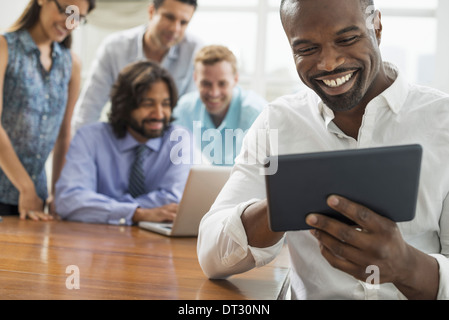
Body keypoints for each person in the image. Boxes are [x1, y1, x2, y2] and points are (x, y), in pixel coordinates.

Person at [197, 0, 449, 300]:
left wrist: (407, 267)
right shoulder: (277, 122)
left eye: (346, 39)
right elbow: (211, 257)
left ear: (377, 27)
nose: (328, 63)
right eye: (306, 49)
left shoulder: (442, 122)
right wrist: (284, 202)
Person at [54, 60, 193, 225]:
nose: (159, 114)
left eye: (165, 104)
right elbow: (68, 200)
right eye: (148, 104)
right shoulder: (89, 137)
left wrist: (100, 207)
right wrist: (136, 214)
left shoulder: (179, 139)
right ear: (125, 105)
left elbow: (173, 200)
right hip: (96, 240)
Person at [0, 0, 96, 220]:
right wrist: (25, 187)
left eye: (78, 18)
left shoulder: (71, 64)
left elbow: (63, 135)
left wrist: (59, 193)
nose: (70, 23)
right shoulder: (4, 47)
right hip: (16, 192)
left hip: (36, 200)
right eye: (66, 11)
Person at [72, 0, 203, 133]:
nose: (175, 28)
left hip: (169, 142)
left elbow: (189, 115)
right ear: (151, 12)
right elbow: (88, 110)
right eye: (169, 17)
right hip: (121, 138)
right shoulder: (115, 48)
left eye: (183, 22)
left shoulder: (194, 52)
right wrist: (81, 148)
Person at [173, 45, 267, 166]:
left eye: (222, 84)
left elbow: (264, 172)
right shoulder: (183, 110)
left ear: (235, 79)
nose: (214, 93)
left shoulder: (257, 113)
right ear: (195, 79)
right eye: (206, 84)